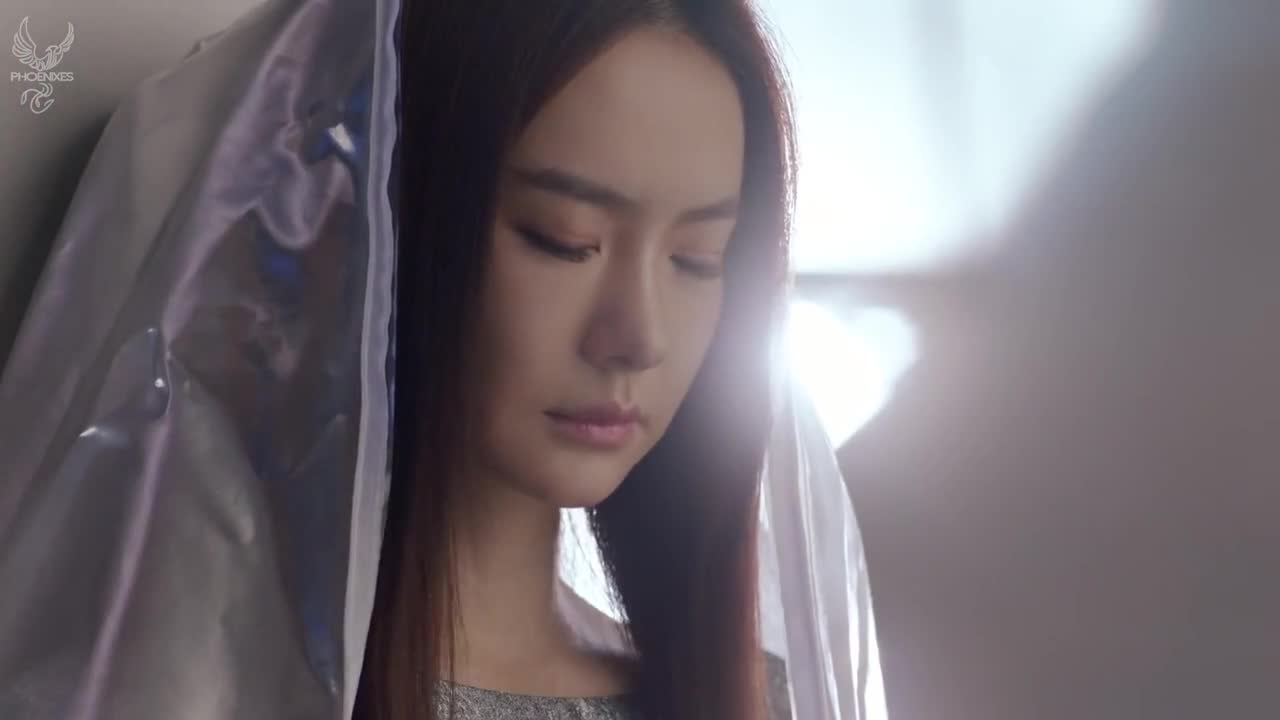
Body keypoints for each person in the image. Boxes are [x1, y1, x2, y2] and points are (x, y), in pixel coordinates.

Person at [356, 1, 797, 719]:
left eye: (697, 258)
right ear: (404, 212)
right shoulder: (228, 680)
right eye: (563, 239)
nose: (640, 338)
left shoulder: (743, 698)